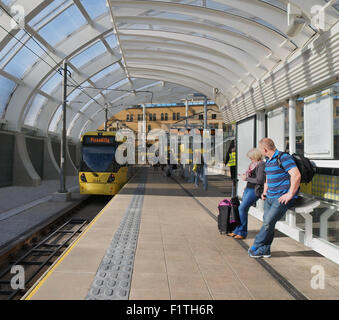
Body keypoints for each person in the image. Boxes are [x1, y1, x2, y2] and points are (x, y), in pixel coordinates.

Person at [248, 138, 301, 258]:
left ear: (265, 149)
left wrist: (290, 194)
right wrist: (265, 192)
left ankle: (256, 245)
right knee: (268, 223)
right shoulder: (268, 160)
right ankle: (265, 250)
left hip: (281, 198)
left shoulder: (283, 158)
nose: (261, 153)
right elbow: (268, 178)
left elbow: (296, 175)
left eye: (261, 150)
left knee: (267, 223)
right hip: (270, 197)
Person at [228, 148, 266, 239]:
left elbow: (260, 180)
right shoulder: (253, 164)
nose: (250, 159)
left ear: (256, 156)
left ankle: (242, 232)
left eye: (251, 158)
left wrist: (247, 179)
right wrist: (246, 182)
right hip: (248, 188)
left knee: (242, 208)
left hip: (254, 190)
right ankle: (237, 230)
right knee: (242, 209)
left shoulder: (261, 165)